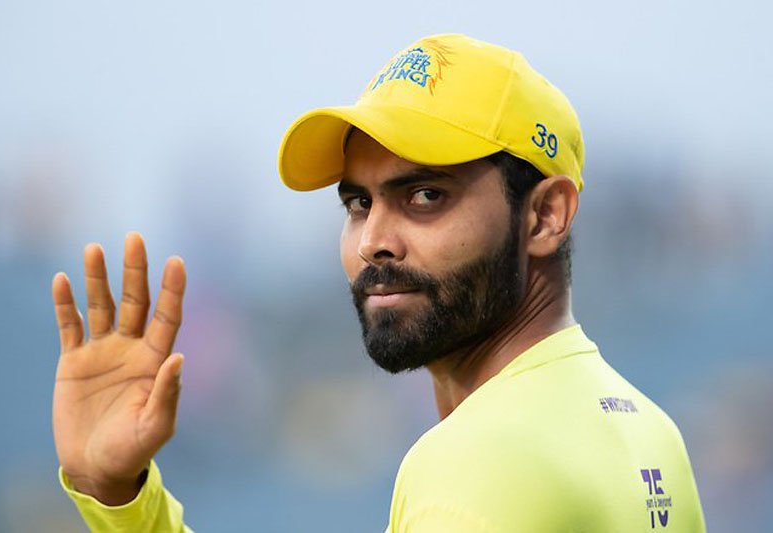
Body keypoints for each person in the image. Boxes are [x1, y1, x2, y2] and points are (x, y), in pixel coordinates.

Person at [52, 34, 706, 531]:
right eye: (359, 203)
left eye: (425, 195)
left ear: (544, 215)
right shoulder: (652, 434)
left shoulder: (473, 460)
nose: (373, 241)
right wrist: (119, 494)